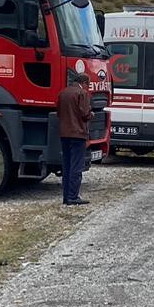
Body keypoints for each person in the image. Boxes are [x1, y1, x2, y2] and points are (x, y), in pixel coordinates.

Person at [57, 69, 92, 206]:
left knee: (66, 165)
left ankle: (66, 196)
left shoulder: (63, 93)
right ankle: (73, 196)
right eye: (88, 85)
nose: (88, 88)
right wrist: (92, 115)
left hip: (64, 133)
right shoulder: (82, 93)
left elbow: (58, 112)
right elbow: (85, 114)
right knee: (76, 166)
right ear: (84, 83)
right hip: (78, 134)